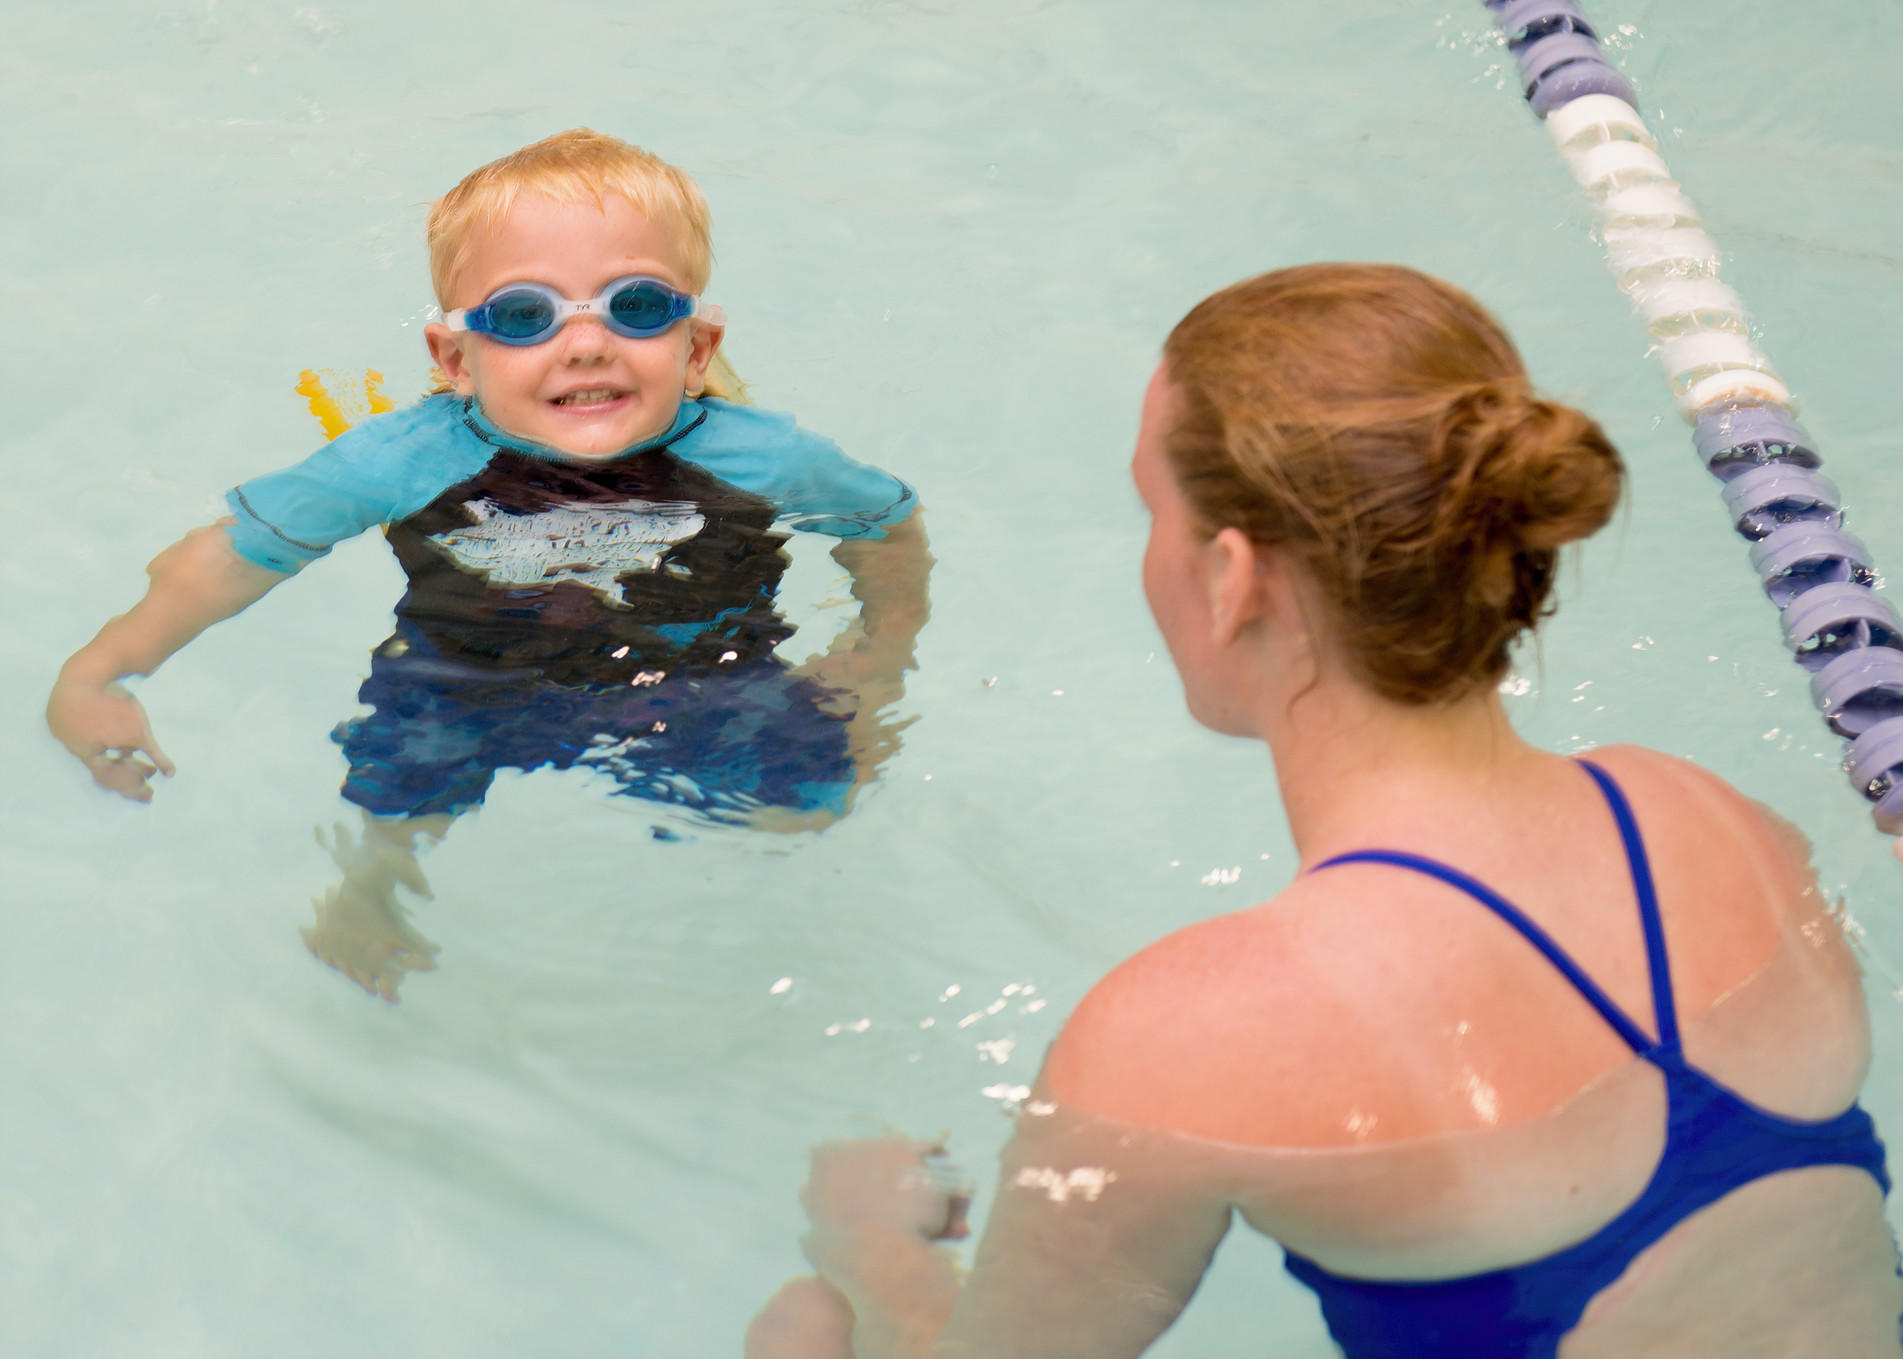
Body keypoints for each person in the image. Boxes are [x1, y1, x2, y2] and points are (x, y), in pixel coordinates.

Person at [747, 264, 1901, 1357]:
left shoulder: (1186, 1037)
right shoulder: (1707, 818)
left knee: (806, 1325)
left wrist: (871, 1245)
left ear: (1234, 574)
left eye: (1153, 509)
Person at [45, 129, 931, 998]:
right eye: (523, 316)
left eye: (637, 307)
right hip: (464, 675)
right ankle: (373, 889)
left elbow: (885, 528)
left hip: (704, 667)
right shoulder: (403, 460)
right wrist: (104, 670)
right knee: (398, 800)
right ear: (454, 358)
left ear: (695, 348)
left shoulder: (763, 457)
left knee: (810, 803)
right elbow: (232, 556)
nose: (585, 345)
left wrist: (879, 654)